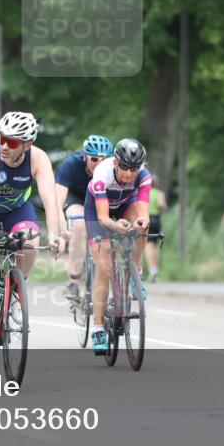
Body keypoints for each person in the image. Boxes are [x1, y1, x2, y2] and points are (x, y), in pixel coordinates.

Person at [0, 111, 62, 366]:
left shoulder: (38, 159)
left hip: (16, 211)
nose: (6, 146)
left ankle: (16, 286)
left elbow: (51, 201)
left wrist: (56, 236)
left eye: (14, 142)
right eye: (3, 139)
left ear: (27, 144)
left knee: (30, 241)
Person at [85, 138, 152, 355]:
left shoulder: (143, 176)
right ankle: (97, 328)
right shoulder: (102, 174)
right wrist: (116, 226)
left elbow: (142, 210)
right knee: (104, 267)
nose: (129, 173)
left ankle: (136, 271)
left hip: (125, 205)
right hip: (98, 213)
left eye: (134, 168)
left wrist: (140, 222)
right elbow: (104, 218)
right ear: (115, 162)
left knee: (143, 226)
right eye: (124, 167)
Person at [54, 135, 113, 301]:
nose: (99, 164)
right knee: (80, 225)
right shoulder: (71, 165)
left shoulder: (113, 168)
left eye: (104, 160)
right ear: (85, 156)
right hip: (75, 198)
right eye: (94, 159)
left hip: (100, 199)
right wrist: (63, 226)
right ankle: (73, 281)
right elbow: (57, 201)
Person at [146, 175, 168, 282]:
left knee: (148, 246)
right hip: (157, 219)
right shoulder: (159, 193)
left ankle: (152, 270)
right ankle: (155, 269)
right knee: (155, 245)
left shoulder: (145, 193)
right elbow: (162, 205)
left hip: (148, 219)